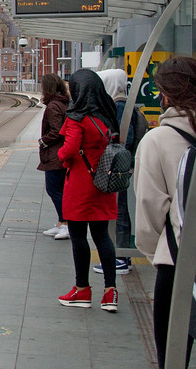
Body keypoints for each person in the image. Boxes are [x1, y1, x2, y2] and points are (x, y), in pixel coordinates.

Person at [135, 56, 196, 368]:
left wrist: (157, 253)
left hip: (178, 263)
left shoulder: (157, 139)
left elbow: (150, 208)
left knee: (173, 357)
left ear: (166, 93)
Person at [56, 68, 120, 312]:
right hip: (103, 182)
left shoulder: (76, 117)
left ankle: (82, 290)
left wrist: (62, 158)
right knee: (102, 236)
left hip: (81, 184)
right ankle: (110, 292)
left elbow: (69, 149)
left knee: (79, 236)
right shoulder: (108, 113)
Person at [93, 69, 144, 276]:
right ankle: (121, 256)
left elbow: (124, 138)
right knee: (119, 210)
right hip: (121, 166)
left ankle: (121, 258)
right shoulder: (121, 104)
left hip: (118, 168)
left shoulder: (120, 106)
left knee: (119, 211)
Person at [37, 74, 70, 240]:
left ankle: (65, 224)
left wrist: (43, 141)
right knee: (60, 189)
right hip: (60, 154)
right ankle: (60, 223)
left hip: (55, 155)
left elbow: (57, 130)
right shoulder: (63, 103)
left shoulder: (53, 107)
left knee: (53, 189)